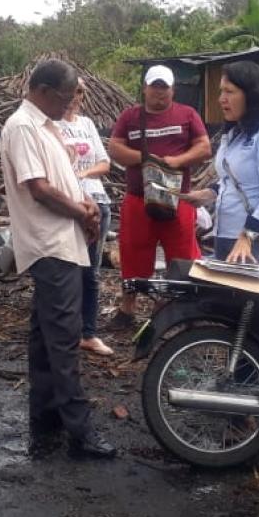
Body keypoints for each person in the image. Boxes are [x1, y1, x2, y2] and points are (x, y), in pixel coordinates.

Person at [1, 58, 117, 460]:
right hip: (50, 245)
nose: (70, 104)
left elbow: (62, 181)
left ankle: (45, 419)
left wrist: (86, 204)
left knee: (44, 338)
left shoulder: (46, 127)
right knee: (65, 339)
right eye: (66, 97)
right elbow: (39, 188)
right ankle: (80, 433)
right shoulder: (23, 127)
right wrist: (82, 213)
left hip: (63, 243)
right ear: (44, 91)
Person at [106, 65, 212, 328]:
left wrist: (178, 161)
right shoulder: (130, 117)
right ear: (145, 88)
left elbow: (204, 147)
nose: (159, 92)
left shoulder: (187, 114)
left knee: (184, 254)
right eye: (155, 86)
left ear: (173, 90)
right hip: (139, 198)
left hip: (177, 198)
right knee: (132, 253)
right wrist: (145, 159)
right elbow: (115, 148)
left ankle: (185, 309)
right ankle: (127, 308)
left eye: (164, 87)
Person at [182, 62, 259, 267]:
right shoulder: (233, 135)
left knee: (250, 289)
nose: (222, 99)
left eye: (229, 92)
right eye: (221, 91)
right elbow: (230, 180)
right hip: (225, 235)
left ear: (251, 95)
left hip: (252, 242)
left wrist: (247, 236)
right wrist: (207, 194)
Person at [56, 77, 115, 356]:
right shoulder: (53, 125)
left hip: (98, 200)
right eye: (71, 90)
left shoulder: (87, 124)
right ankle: (63, 329)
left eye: (80, 91)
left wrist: (82, 173)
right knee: (67, 267)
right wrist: (72, 178)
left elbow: (105, 163)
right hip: (70, 202)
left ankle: (88, 333)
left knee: (91, 272)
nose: (75, 96)